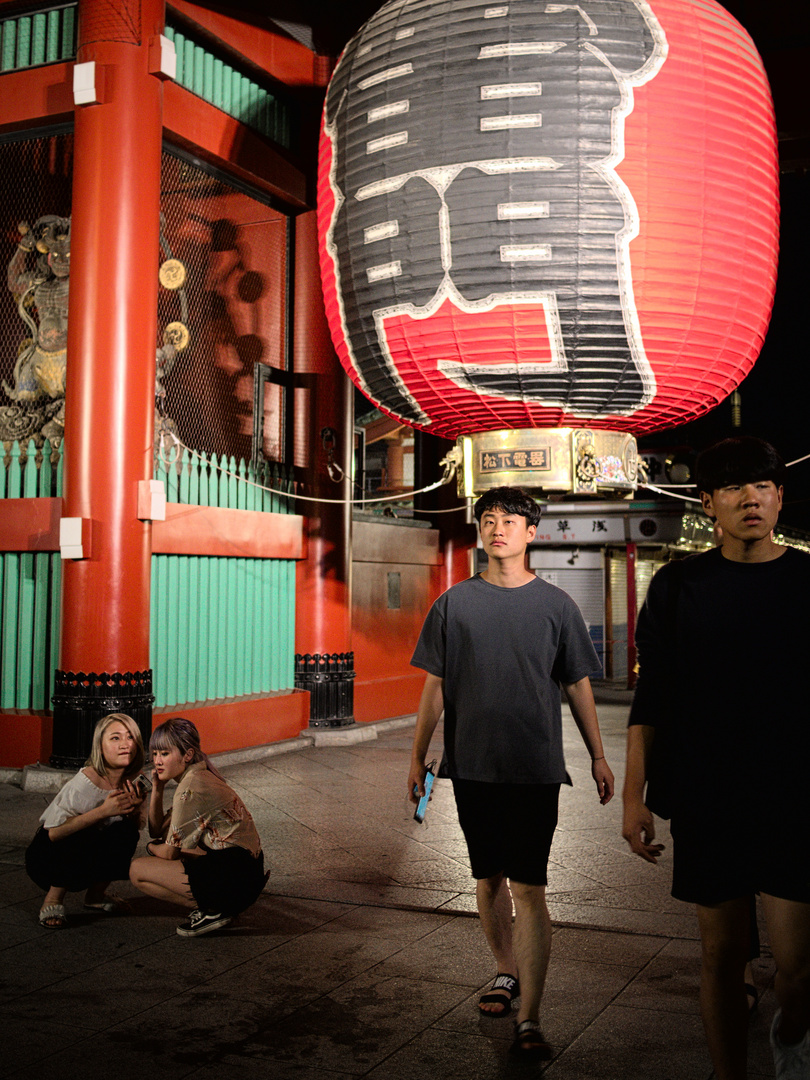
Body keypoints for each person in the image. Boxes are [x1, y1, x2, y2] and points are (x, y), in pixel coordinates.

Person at [622, 436, 810, 1080]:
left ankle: (792, 1031)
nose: (749, 498)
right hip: (709, 795)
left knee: (797, 968)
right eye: (731, 488)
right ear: (708, 503)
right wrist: (632, 796)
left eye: (761, 486)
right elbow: (654, 695)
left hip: (795, 795)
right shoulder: (679, 586)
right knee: (721, 956)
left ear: (780, 497)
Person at [407, 485, 614, 1059]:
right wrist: (418, 755)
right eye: (489, 519)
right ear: (480, 530)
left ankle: (530, 1016)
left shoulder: (557, 606)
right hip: (471, 767)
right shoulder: (453, 603)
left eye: (511, 520)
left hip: (534, 768)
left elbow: (577, 683)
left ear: (531, 532)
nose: (498, 528)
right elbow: (434, 686)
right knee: (488, 879)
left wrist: (597, 755)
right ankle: (506, 971)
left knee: (529, 884)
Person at [129, 717, 267, 938]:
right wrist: (157, 788)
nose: (157, 761)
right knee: (183, 845)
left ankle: (213, 910)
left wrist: (151, 847)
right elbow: (158, 830)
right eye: (154, 754)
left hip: (234, 877)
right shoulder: (199, 776)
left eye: (164, 753)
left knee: (137, 870)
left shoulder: (190, 789)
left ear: (188, 755)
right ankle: (217, 907)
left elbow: (168, 851)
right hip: (246, 873)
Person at [26, 712, 146, 928]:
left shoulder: (134, 780)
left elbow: (137, 831)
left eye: (130, 737)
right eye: (115, 738)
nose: (125, 744)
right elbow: (53, 833)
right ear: (100, 746)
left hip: (86, 860)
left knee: (127, 831)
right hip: (48, 859)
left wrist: (135, 810)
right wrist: (102, 811)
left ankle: (96, 896)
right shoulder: (86, 781)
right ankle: (53, 899)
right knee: (84, 828)